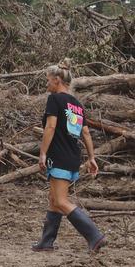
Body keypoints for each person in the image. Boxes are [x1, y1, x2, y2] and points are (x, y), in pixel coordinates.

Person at [32, 62, 107, 252]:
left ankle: (94, 235)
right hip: (73, 157)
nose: (46, 85)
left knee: (61, 201)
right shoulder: (77, 105)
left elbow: (50, 127)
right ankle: (46, 242)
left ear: (57, 80)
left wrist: (42, 153)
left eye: (48, 80)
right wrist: (91, 158)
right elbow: (86, 133)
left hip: (59, 156)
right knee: (54, 198)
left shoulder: (54, 100)